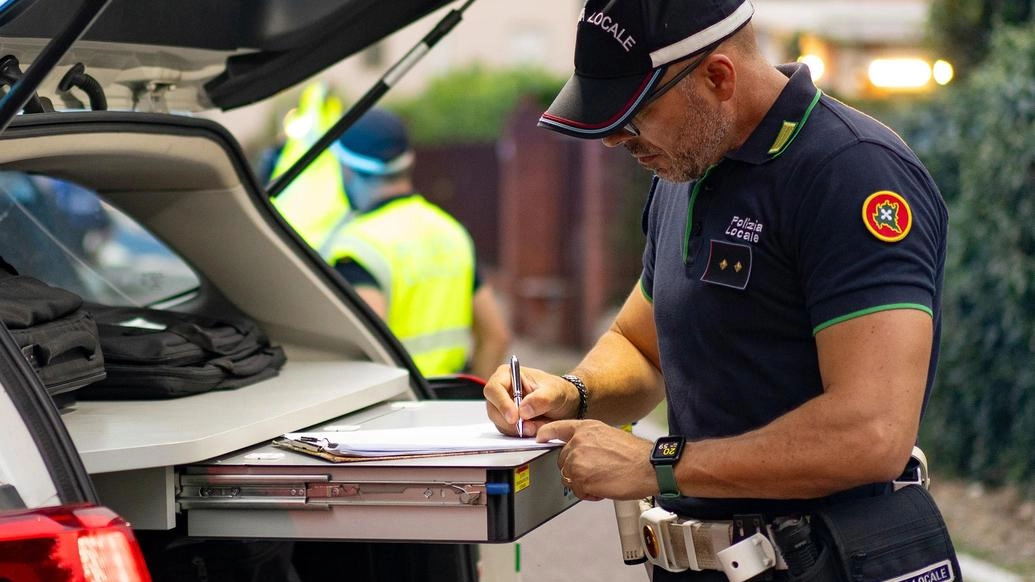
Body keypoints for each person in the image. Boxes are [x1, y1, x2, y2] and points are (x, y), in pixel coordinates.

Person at [484, 0, 949, 580]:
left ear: (717, 77)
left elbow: (871, 432)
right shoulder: (685, 169)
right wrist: (572, 391)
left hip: (822, 561)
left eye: (636, 112)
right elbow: (641, 345)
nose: (614, 139)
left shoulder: (852, 173)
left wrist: (660, 464)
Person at [320, 108, 510, 379]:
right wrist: (473, 402)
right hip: (453, 404)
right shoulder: (450, 231)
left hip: (399, 410)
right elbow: (496, 336)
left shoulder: (355, 248)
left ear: (348, 169)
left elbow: (368, 356)